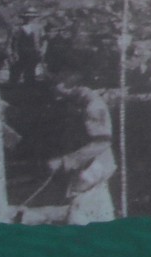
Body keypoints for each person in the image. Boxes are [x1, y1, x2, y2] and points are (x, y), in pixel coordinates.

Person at [48, 78, 116, 225]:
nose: (54, 88)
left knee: (78, 208)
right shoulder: (80, 103)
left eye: (57, 80)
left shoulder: (93, 106)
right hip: (94, 168)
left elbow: (102, 141)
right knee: (98, 208)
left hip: (93, 167)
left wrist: (67, 161)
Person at [8, 6, 47, 84]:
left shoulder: (38, 28)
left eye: (32, 17)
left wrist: (43, 50)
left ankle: (29, 88)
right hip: (20, 53)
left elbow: (44, 40)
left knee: (30, 72)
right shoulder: (17, 28)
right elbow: (11, 42)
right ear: (23, 18)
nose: (30, 19)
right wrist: (11, 53)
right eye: (28, 17)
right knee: (16, 72)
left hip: (33, 53)